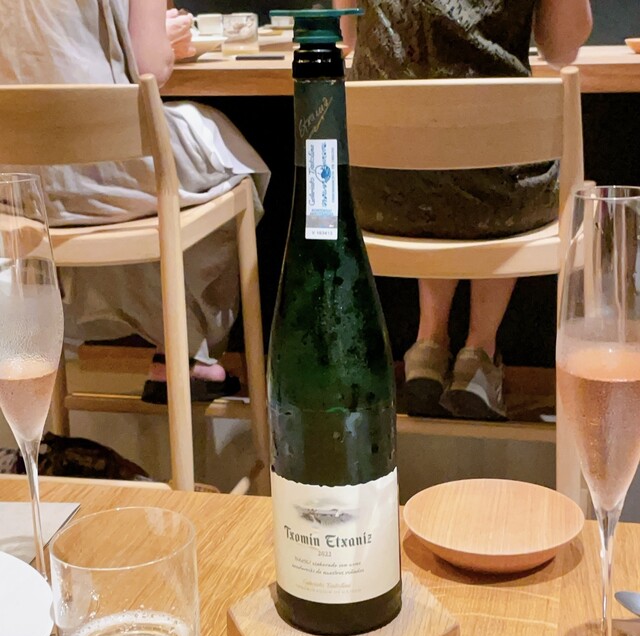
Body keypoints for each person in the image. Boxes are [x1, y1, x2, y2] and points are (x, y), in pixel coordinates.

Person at [0, 0, 270, 403]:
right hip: (107, 171)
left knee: (138, 196)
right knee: (231, 161)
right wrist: (161, 39)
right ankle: (186, 347)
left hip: (20, 187)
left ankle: (174, 351)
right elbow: (151, 68)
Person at [333, 0, 592, 421]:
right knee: (495, 166)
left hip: (378, 192)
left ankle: (428, 347)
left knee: (436, 164)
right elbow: (562, 49)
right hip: (500, 194)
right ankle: (479, 354)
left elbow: (349, 34)